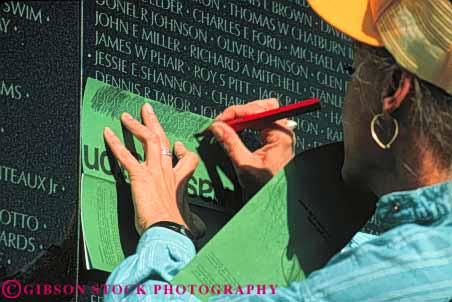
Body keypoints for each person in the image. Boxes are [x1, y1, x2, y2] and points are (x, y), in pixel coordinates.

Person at [104, 0, 452, 300]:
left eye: (353, 71)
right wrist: (289, 202)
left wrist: (166, 228)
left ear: (392, 90)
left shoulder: (402, 270)